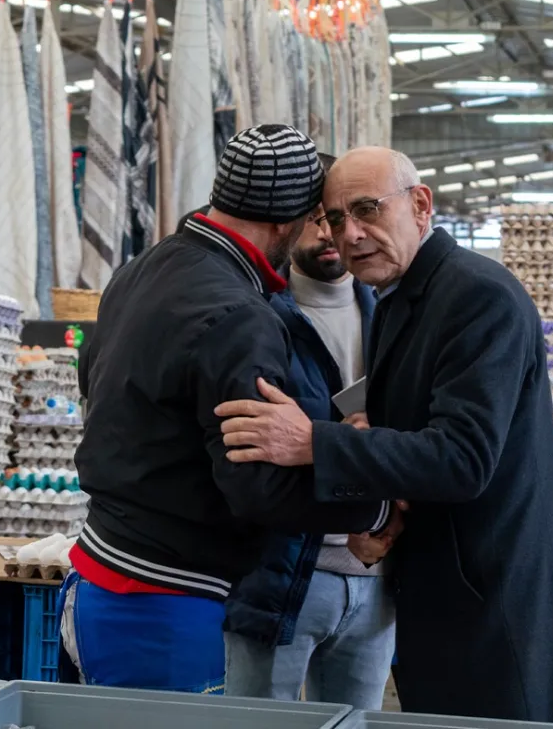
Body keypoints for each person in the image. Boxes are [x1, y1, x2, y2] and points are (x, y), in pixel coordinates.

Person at [214, 146, 553, 725]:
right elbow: (414, 439)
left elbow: (462, 458)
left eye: (368, 209)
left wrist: (315, 442)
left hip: (499, 602)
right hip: (443, 591)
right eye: (335, 218)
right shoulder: (399, 299)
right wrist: (385, 516)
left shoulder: (477, 297)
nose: (350, 234)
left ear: (421, 205)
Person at [58, 127, 391, 693]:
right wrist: (375, 509)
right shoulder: (240, 315)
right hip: (165, 603)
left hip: (98, 576)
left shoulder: (144, 268)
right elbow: (256, 486)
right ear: (290, 221)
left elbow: (92, 376)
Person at [222, 153, 397, 709]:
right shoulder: (257, 317)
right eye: (319, 218)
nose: (331, 234)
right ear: (290, 222)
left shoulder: (392, 313)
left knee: (357, 723)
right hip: (282, 574)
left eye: (344, 218)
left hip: (374, 574)